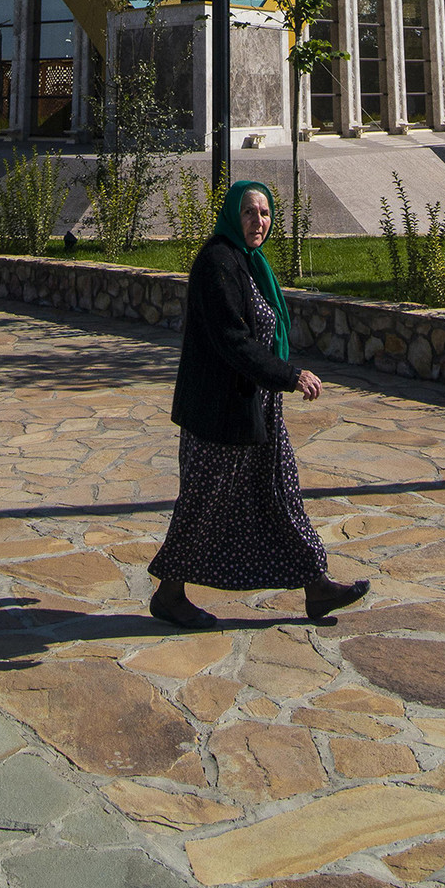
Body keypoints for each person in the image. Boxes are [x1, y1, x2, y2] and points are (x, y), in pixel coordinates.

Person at [148, 178, 369, 630]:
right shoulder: (217, 263)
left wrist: (278, 381)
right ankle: (170, 594)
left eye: (265, 213)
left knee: (282, 494)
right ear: (233, 215)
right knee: (204, 503)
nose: (259, 221)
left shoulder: (250, 263)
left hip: (257, 407)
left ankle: (316, 585)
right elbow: (233, 340)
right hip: (220, 412)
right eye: (250, 212)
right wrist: (290, 375)